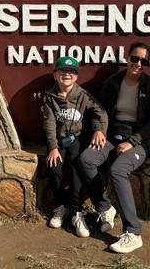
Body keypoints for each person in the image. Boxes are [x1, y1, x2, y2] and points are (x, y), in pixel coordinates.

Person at [79, 41, 150, 254]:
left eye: (144, 60)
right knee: (87, 159)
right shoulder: (113, 82)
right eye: (135, 58)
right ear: (127, 58)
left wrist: (132, 141)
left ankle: (133, 232)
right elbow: (100, 111)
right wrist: (98, 129)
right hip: (112, 134)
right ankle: (105, 208)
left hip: (141, 139)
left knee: (118, 170)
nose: (138, 63)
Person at [42, 56, 108, 238]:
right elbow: (49, 124)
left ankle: (77, 212)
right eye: (62, 71)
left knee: (78, 167)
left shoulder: (83, 95)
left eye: (71, 72)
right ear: (55, 75)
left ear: (76, 76)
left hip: (77, 139)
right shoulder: (50, 96)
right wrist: (53, 147)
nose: (66, 75)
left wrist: (100, 130)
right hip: (59, 141)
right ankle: (62, 207)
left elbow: (100, 112)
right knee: (54, 167)